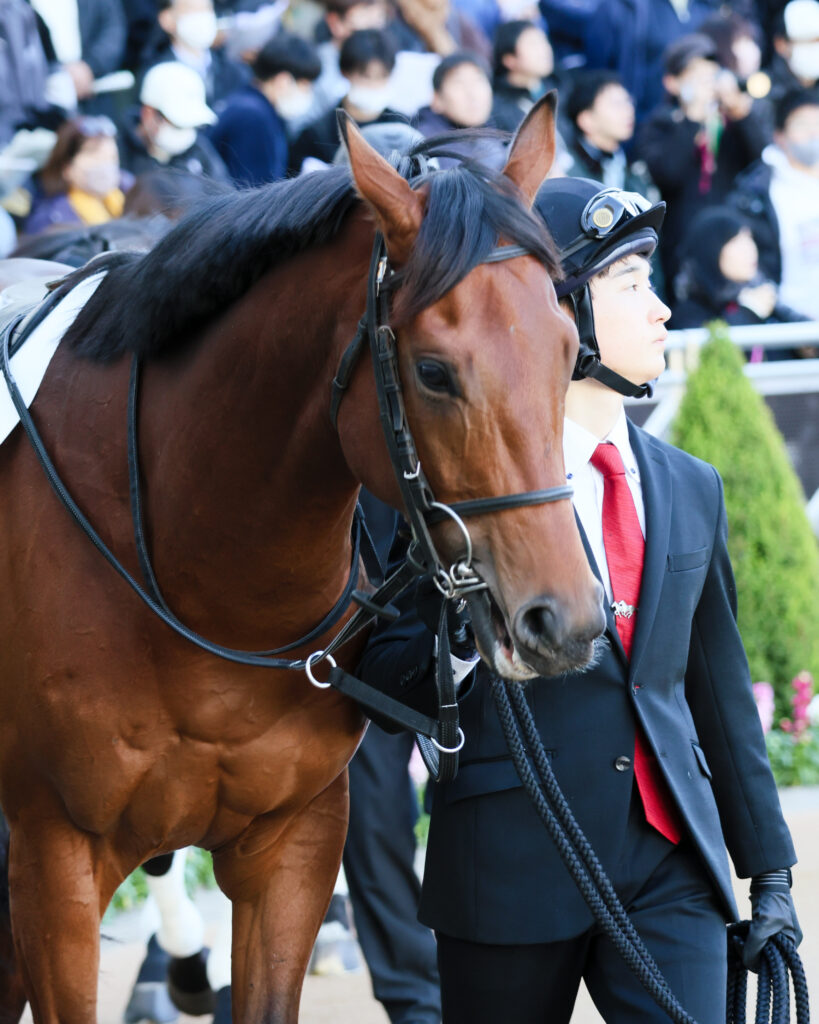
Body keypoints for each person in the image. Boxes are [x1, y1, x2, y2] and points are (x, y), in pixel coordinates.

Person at [358, 177, 800, 1024]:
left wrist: (769, 875)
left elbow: (716, 692)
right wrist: (467, 621)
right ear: (556, 311)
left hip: (670, 868)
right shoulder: (454, 487)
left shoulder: (690, 486)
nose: (661, 309)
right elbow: (384, 683)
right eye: (630, 285)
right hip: (508, 870)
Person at [636, 32, 768, 285]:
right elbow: (668, 174)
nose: (706, 83)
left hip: (730, 234)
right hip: (681, 241)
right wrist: (692, 120)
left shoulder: (728, 121)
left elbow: (759, 159)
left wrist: (741, 113)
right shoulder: (661, 124)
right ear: (672, 82)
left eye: (711, 75)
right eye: (696, 75)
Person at [729, 88, 819, 322]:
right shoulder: (756, 193)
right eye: (802, 124)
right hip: (785, 326)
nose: (813, 133)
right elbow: (752, 269)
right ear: (780, 135)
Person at [672, 206, 809, 355]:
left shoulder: (762, 294)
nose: (750, 249)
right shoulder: (690, 312)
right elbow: (714, 357)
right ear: (712, 252)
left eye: (749, 239)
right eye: (737, 241)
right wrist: (749, 312)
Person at [210, 31, 321, 184]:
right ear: (283, 81)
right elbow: (254, 188)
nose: (307, 93)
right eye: (305, 86)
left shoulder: (248, 101)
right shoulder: (254, 118)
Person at [289, 29, 403, 173]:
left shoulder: (402, 129)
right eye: (366, 77)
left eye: (383, 77)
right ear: (345, 72)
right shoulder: (316, 136)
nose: (374, 85)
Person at [287, 0, 389, 137]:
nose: (371, 42)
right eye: (360, 31)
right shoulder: (316, 70)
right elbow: (297, 128)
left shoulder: (390, 61)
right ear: (335, 23)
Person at [119, 61, 229, 180]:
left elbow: (223, 184)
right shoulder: (116, 150)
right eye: (178, 125)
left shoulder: (199, 152)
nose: (186, 133)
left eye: (193, 125)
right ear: (148, 113)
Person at [24, 115, 128, 235]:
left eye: (111, 158)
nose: (105, 166)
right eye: (95, 158)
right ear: (66, 167)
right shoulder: (50, 221)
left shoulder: (129, 194)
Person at [142, 0, 249, 113]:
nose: (202, 16)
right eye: (192, 9)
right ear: (166, 19)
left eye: (207, 9)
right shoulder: (156, 76)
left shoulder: (235, 73)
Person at [563, 70, 656, 197]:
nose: (629, 110)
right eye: (616, 104)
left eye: (628, 101)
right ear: (586, 120)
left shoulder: (630, 167)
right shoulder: (566, 171)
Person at [413, 52, 503, 168]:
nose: (472, 94)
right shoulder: (424, 144)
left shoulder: (491, 141)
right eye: (459, 84)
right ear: (437, 99)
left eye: (479, 81)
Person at [491, 19, 555, 132]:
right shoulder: (499, 109)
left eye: (544, 41)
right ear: (509, 59)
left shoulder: (559, 85)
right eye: (533, 45)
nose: (545, 49)